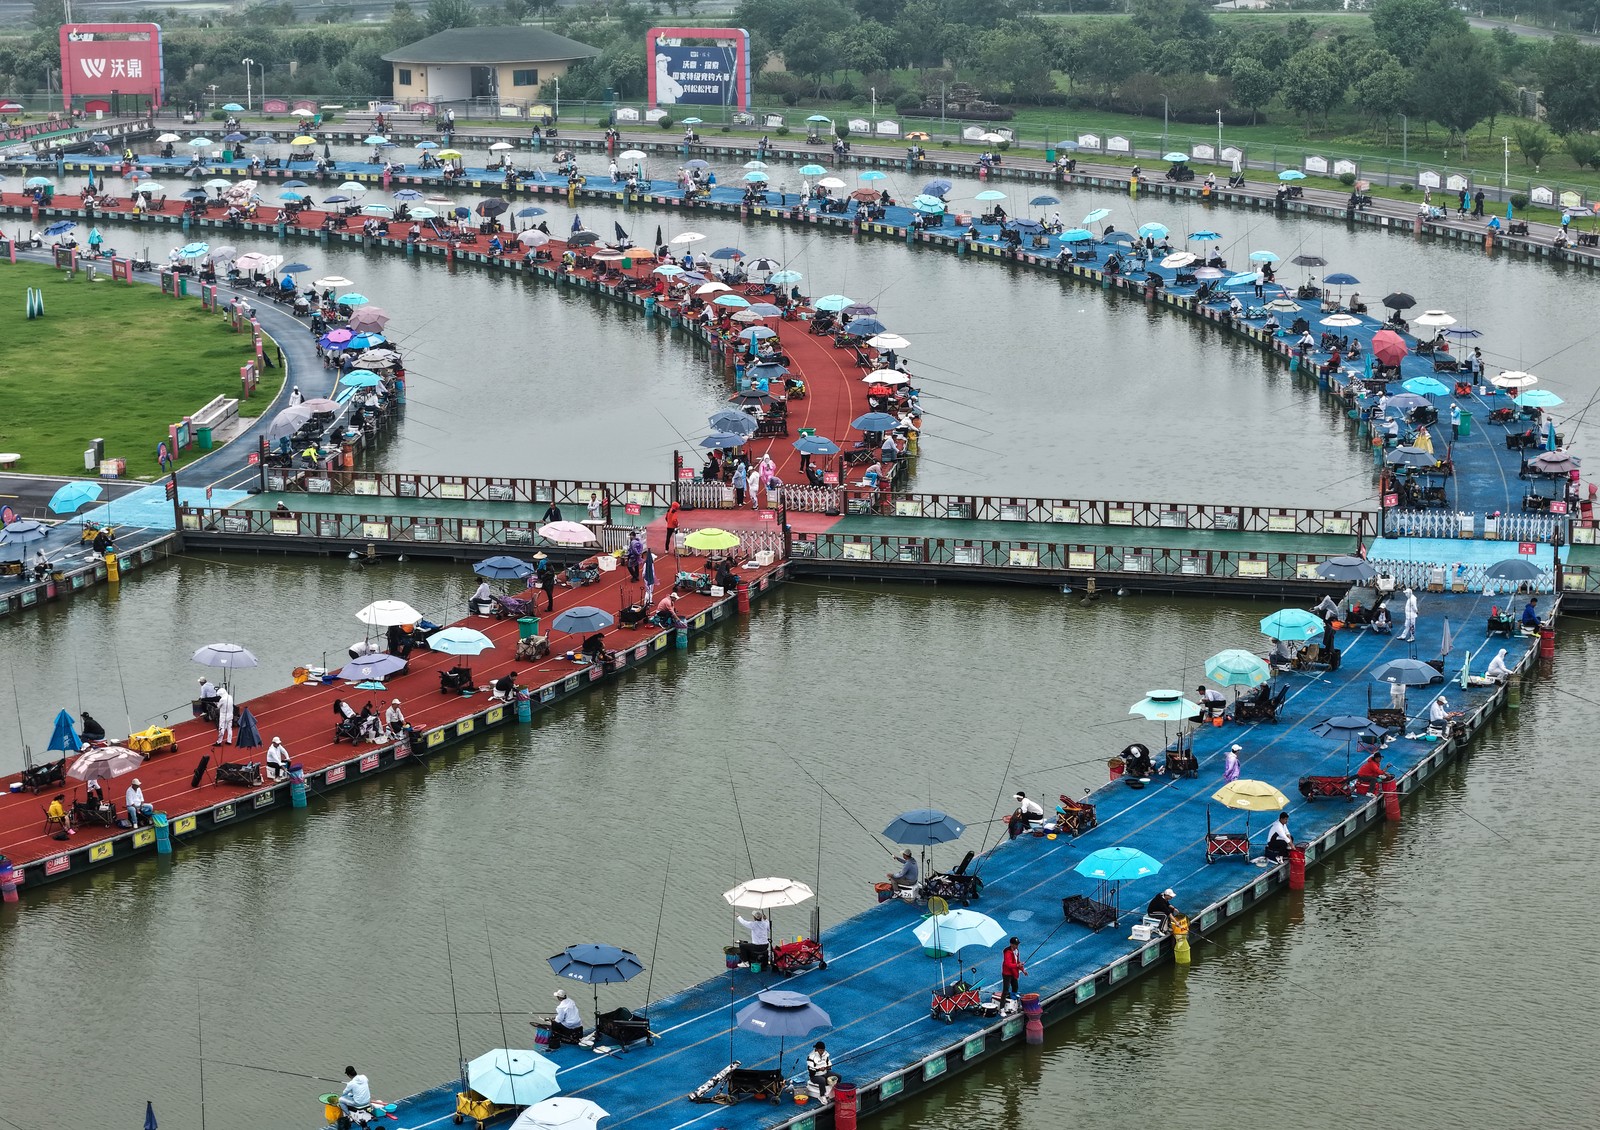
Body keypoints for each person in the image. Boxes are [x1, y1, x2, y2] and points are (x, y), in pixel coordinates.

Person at [999, 937, 1025, 1004]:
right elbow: (1008, 964)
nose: (1017, 946)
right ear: (1011, 944)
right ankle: (1002, 1009)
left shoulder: (1017, 951)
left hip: (1014, 972)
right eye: (1015, 944)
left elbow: (1017, 961)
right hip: (1007, 973)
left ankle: (1014, 1004)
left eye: (1017, 944)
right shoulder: (1007, 952)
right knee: (1005, 991)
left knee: (1015, 988)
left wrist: (1023, 970)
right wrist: (1018, 965)